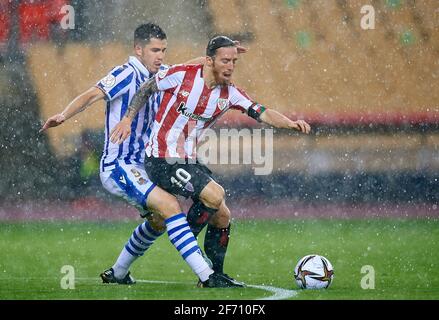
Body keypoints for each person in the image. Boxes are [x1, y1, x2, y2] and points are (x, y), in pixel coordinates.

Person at [40, 24, 243, 288]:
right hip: (119, 165)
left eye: (163, 50)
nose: (160, 55)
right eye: (155, 50)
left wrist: (222, 54)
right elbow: (93, 94)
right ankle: (207, 276)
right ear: (139, 50)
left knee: (160, 219)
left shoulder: (160, 75)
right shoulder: (126, 73)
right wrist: (64, 115)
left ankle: (119, 272)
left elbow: (193, 65)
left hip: (148, 163)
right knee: (171, 207)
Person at [110, 35, 311, 287]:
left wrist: (290, 123)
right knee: (215, 195)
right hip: (161, 158)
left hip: (187, 161)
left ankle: (215, 274)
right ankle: (187, 241)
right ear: (209, 61)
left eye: (234, 61)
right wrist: (128, 118)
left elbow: (263, 112)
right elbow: (148, 87)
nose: (230, 66)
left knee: (222, 215)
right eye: (225, 60)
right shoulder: (182, 75)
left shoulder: (231, 94)